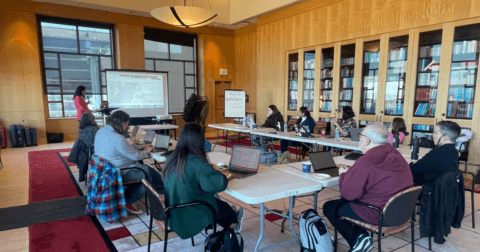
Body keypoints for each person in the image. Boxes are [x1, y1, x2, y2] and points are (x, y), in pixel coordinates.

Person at [323, 123, 413, 252]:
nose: (359, 139)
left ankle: (357, 242)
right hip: (401, 212)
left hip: (379, 214)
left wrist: (343, 174)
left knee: (330, 207)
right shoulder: (396, 154)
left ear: (367, 140)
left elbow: (347, 194)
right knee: (346, 201)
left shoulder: (366, 161)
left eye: (360, 136)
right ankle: (362, 237)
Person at [163, 123, 244, 239]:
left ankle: (230, 217)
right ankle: (234, 222)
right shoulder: (197, 163)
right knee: (221, 206)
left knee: (218, 202)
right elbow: (217, 185)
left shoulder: (171, 159)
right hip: (189, 216)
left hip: (173, 213)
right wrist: (218, 172)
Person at [94, 110, 164, 215]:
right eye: (127, 124)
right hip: (119, 171)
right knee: (147, 175)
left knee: (148, 170)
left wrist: (139, 147)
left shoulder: (102, 131)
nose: (128, 127)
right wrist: (146, 151)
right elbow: (136, 156)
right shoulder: (118, 138)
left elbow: (123, 148)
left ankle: (159, 192)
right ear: (120, 123)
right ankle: (128, 201)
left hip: (104, 169)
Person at [410, 120, 461, 186]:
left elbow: (413, 170)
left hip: (426, 189)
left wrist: (412, 163)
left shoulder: (437, 153)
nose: (433, 135)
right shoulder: (454, 152)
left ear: (445, 137)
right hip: (443, 189)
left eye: (436, 133)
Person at [68, 112, 100, 182]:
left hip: (83, 152)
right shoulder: (95, 128)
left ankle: (84, 176)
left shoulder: (81, 129)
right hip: (93, 151)